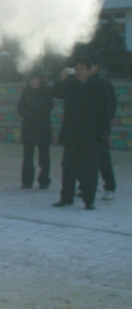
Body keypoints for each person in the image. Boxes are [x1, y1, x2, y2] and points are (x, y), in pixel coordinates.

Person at [52, 57, 110, 209]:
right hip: (72, 135)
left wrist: (103, 133)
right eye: (76, 69)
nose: (79, 72)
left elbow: (105, 111)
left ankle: (88, 200)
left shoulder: (98, 86)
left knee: (90, 170)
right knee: (68, 168)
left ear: (88, 70)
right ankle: (66, 198)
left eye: (82, 69)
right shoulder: (70, 84)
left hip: (92, 135)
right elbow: (57, 92)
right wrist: (61, 78)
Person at [16, 74, 54, 190]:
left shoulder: (47, 91)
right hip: (28, 126)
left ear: (41, 80)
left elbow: (48, 107)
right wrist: (29, 114)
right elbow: (21, 108)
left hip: (43, 127)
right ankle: (27, 181)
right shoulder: (26, 92)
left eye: (36, 78)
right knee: (27, 156)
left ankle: (44, 180)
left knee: (44, 155)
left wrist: (33, 113)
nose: (34, 81)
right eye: (32, 78)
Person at [88, 63, 118, 200]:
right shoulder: (81, 82)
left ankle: (109, 187)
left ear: (97, 66)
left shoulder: (105, 84)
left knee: (103, 160)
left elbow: (111, 107)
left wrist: (104, 126)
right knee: (83, 160)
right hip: (84, 128)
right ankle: (85, 187)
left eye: (91, 65)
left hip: (100, 128)